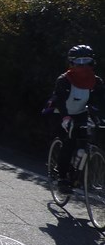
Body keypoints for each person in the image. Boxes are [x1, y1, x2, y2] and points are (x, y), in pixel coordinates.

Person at [50, 44, 105, 193]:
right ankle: (62, 178)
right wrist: (65, 117)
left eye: (86, 61)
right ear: (72, 62)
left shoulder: (96, 81)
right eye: (78, 61)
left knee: (84, 141)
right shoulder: (64, 80)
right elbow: (59, 100)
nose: (83, 65)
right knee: (68, 142)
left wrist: (99, 116)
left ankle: (77, 172)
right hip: (62, 113)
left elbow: (100, 101)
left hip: (81, 113)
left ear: (92, 62)